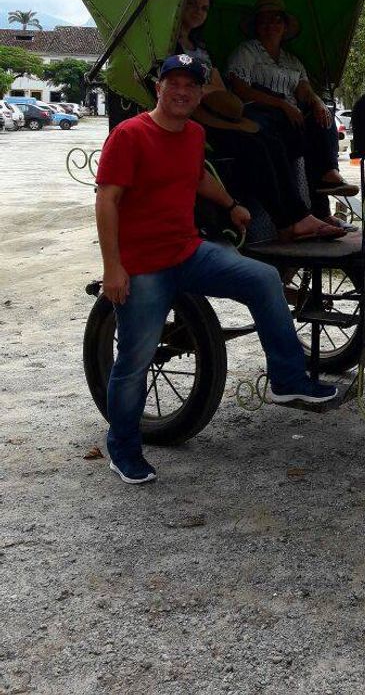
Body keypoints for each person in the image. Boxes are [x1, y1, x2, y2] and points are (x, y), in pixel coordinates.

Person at [95, 53, 338, 485]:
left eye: (192, 85)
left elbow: (197, 177)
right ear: (159, 88)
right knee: (134, 360)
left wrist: (231, 204)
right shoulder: (129, 135)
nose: (183, 92)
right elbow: (107, 200)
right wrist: (113, 268)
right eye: (175, 83)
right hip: (144, 265)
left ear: (200, 92)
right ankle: (124, 448)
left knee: (263, 278)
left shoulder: (193, 134)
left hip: (189, 252)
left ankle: (286, 378)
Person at [177, 0, 343, 241]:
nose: (198, 12)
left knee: (300, 129)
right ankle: (291, 220)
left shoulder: (201, 46)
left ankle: (313, 204)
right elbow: (218, 86)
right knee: (262, 139)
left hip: (226, 110)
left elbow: (217, 83)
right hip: (201, 114)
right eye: (192, 5)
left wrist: (315, 102)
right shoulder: (175, 46)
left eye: (204, 8)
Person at [227, 0, 358, 206]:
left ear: (284, 26)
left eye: (276, 20)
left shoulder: (291, 59)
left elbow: (303, 89)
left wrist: (316, 101)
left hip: (290, 116)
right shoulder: (247, 51)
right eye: (264, 20)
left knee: (323, 116)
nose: (271, 25)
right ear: (257, 26)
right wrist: (281, 104)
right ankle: (303, 210)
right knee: (288, 134)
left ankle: (329, 175)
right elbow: (240, 89)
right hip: (260, 114)